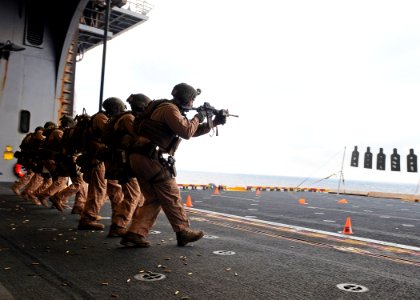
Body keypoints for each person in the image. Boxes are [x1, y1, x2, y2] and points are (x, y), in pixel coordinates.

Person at [120, 83, 227, 247]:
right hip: (151, 158)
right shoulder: (169, 109)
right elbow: (186, 132)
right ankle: (183, 231)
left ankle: (135, 233)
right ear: (189, 99)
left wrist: (215, 123)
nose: (192, 104)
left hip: (139, 157)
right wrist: (199, 117)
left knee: (153, 199)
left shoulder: (165, 109)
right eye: (192, 100)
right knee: (171, 193)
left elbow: (191, 130)